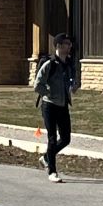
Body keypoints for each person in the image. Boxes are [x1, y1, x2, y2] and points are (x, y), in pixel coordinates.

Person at [33, 32, 77, 183]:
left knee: (66, 138)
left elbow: (72, 81)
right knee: (52, 138)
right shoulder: (49, 64)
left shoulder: (69, 64)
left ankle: (46, 157)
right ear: (58, 46)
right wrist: (49, 94)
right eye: (66, 44)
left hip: (63, 105)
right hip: (49, 106)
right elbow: (37, 85)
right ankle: (52, 171)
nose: (69, 46)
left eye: (70, 44)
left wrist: (74, 86)